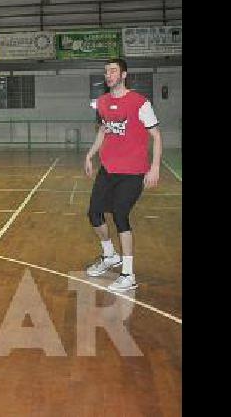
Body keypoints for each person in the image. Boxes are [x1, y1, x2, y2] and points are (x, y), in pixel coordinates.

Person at [83, 58, 162, 292]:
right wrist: (89, 155)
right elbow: (104, 132)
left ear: (124, 75)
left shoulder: (139, 103)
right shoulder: (103, 102)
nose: (109, 74)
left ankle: (128, 274)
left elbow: (156, 135)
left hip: (133, 171)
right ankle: (110, 256)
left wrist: (155, 166)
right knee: (94, 213)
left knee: (120, 215)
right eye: (106, 71)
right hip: (108, 169)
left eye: (113, 71)